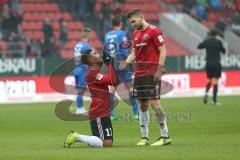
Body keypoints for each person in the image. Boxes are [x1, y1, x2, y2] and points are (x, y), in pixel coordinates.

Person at [120, 8, 171, 146]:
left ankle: (165, 136)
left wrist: (159, 69)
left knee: (155, 104)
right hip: (139, 74)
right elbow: (134, 53)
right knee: (142, 105)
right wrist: (126, 61)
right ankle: (144, 137)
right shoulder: (135, 34)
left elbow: (163, 50)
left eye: (133, 21)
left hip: (152, 73)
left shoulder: (154, 31)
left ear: (141, 17)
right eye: (130, 23)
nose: (132, 24)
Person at [64, 49, 119, 148]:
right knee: (107, 143)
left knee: (106, 142)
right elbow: (113, 81)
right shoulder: (93, 73)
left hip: (102, 111)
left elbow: (115, 81)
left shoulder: (96, 71)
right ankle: (76, 136)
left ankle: (81, 138)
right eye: (95, 53)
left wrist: (110, 64)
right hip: (99, 112)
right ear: (90, 59)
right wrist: (109, 64)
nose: (99, 54)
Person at [104, 16, 139, 121]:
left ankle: (111, 114)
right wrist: (127, 60)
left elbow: (105, 50)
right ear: (120, 23)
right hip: (121, 62)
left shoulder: (107, 35)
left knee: (112, 89)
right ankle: (136, 113)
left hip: (111, 63)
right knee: (131, 87)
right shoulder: (122, 33)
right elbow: (124, 48)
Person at [197, 29, 226, 105]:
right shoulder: (219, 42)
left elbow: (199, 46)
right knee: (215, 81)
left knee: (209, 80)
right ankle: (214, 100)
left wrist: (205, 40)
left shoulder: (207, 41)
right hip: (216, 63)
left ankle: (206, 93)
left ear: (210, 34)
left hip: (208, 63)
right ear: (216, 34)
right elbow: (224, 51)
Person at [73, 28, 92, 114]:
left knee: (80, 89)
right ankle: (79, 108)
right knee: (81, 89)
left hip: (76, 68)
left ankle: (79, 107)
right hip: (82, 69)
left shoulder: (77, 45)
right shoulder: (86, 46)